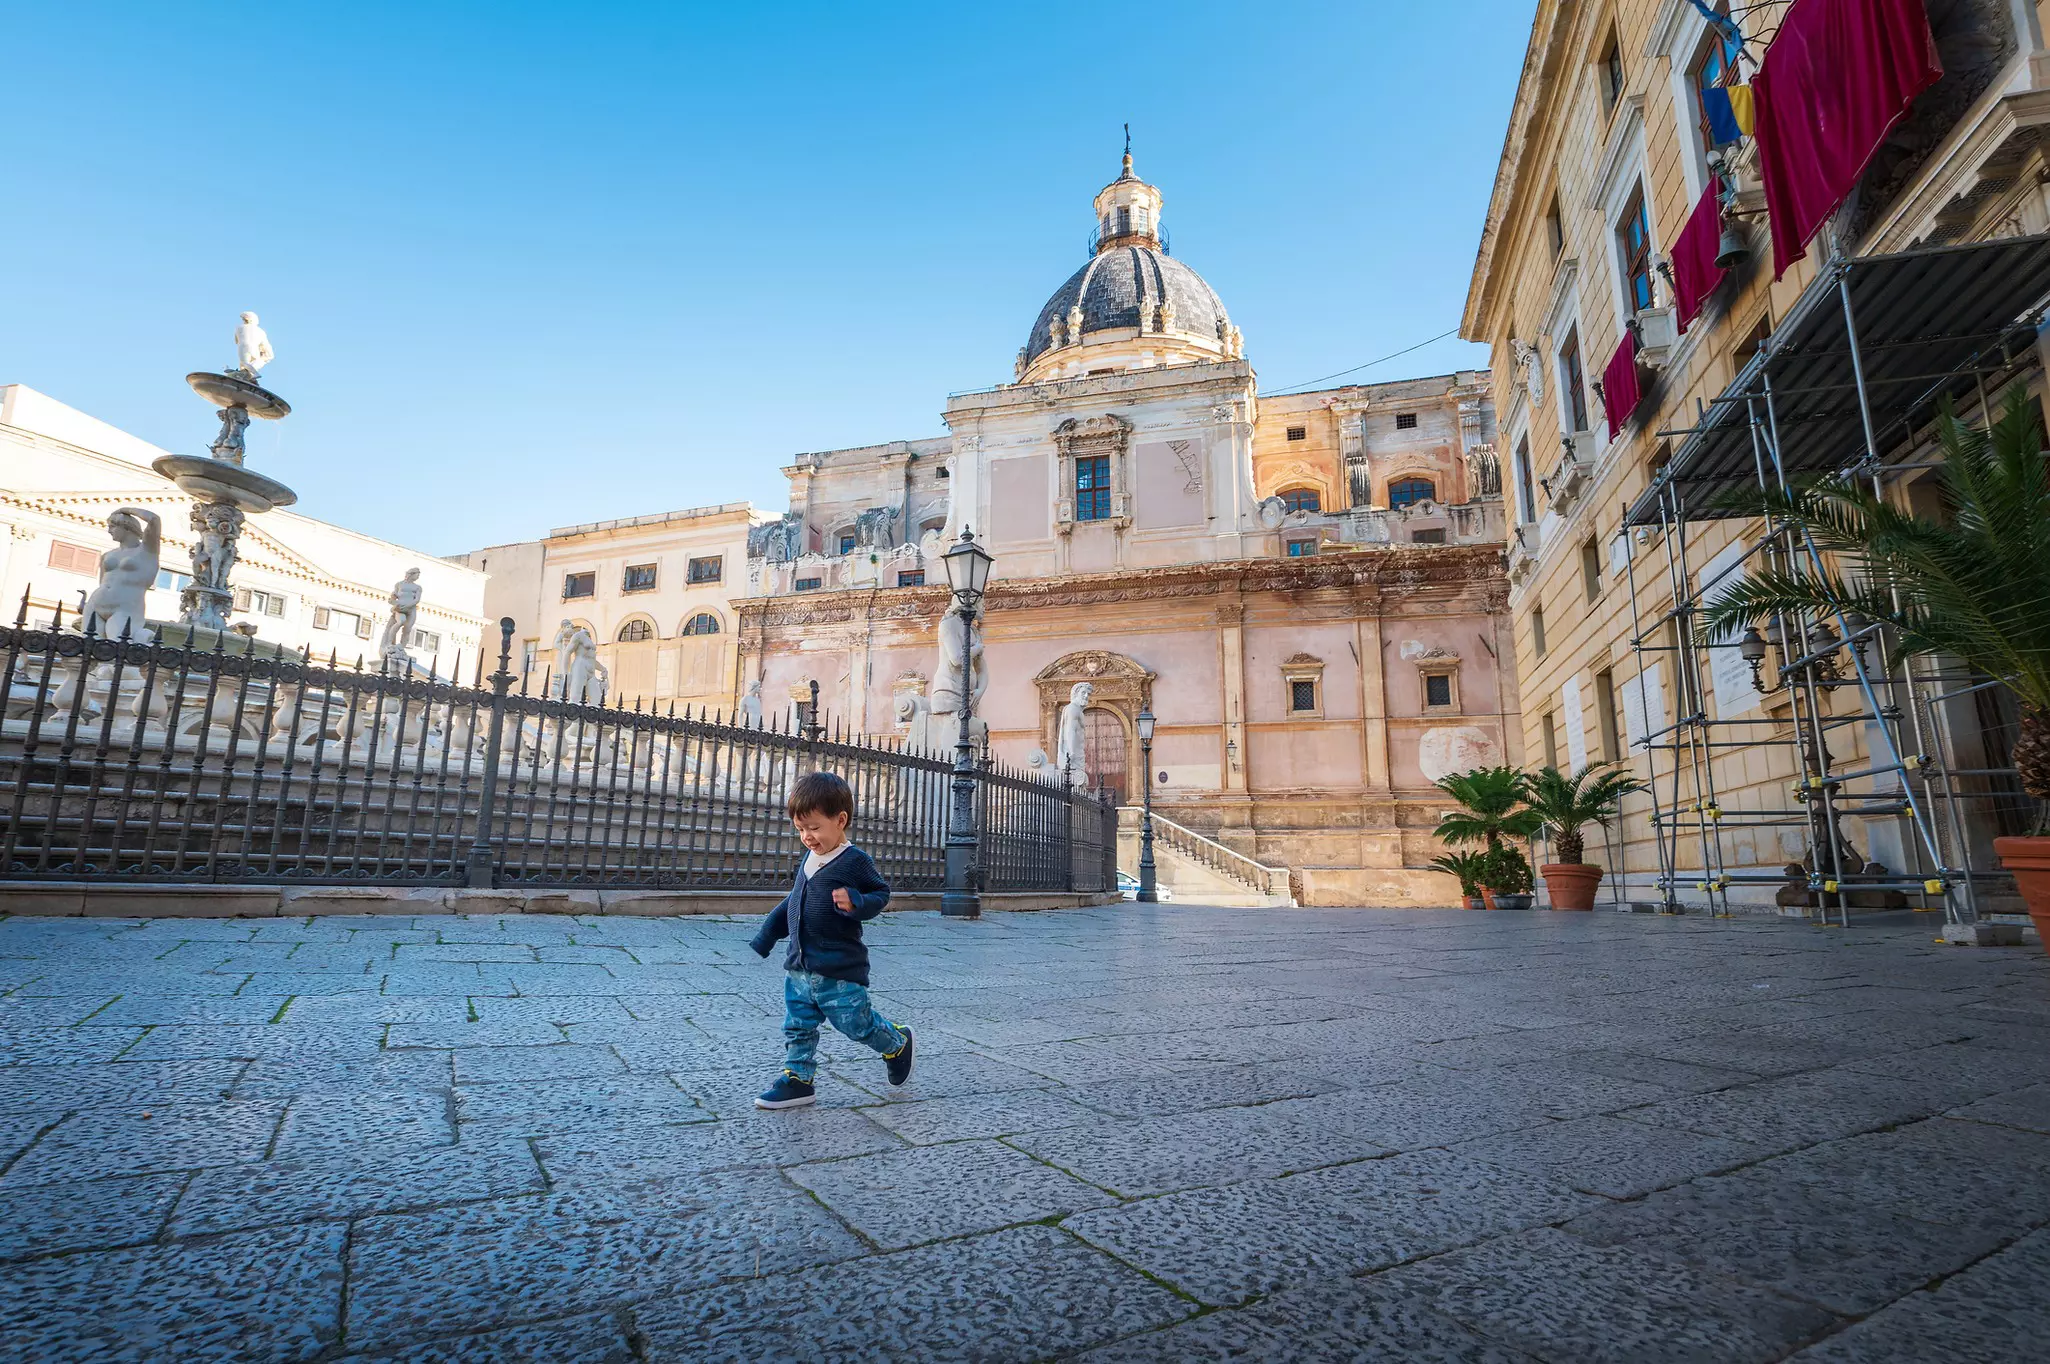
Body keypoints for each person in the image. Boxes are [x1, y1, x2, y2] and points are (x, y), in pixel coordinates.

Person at [749, 771, 913, 1109]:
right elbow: (793, 902)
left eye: (814, 827)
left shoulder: (855, 861)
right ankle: (798, 1079)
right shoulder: (808, 859)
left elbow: (880, 894)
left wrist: (856, 901)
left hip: (838, 967)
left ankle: (896, 1042)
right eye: (800, 830)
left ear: (840, 821)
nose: (807, 837)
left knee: (856, 1024)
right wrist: (767, 934)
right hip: (799, 965)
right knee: (797, 1025)